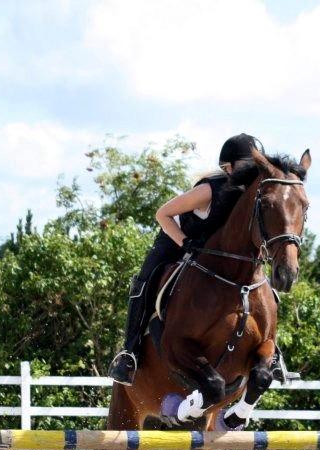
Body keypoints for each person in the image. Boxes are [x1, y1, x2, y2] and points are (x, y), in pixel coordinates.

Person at [108, 133, 261, 385]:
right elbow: (163, 214)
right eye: (247, 166)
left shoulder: (250, 194)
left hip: (211, 250)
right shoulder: (208, 190)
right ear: (228, 167)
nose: (252, 171)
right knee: (144, 282)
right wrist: (185, 243)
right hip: (175, 238)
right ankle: (129, 353)